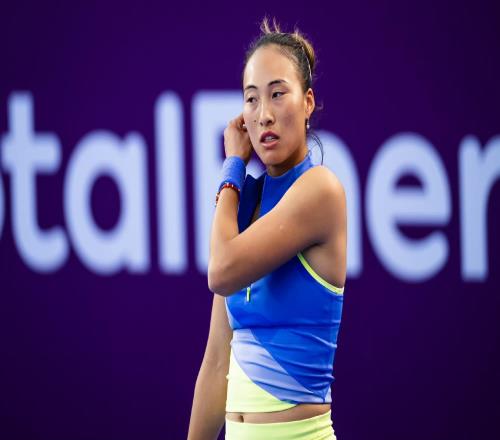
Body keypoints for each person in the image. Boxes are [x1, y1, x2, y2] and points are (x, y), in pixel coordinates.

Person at [188, 15, 347, 440]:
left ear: (308, 102)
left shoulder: (320, 190)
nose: (263, 115)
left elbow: (220, 271)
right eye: (251, 99)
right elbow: (217, 361)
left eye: (278, 94)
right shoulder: (246, 202)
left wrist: (232, 166)